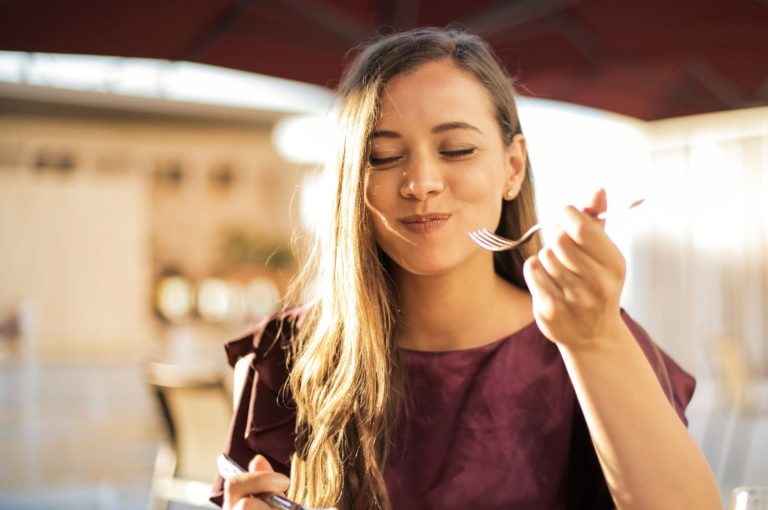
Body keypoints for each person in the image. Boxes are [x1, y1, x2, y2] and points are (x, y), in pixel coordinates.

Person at [210, 27, 721, 510]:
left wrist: (596, 341)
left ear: (513, 167)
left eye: (456, 149)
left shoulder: (590, 337)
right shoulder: (285, 356)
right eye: (384, 157)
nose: (421, 182)